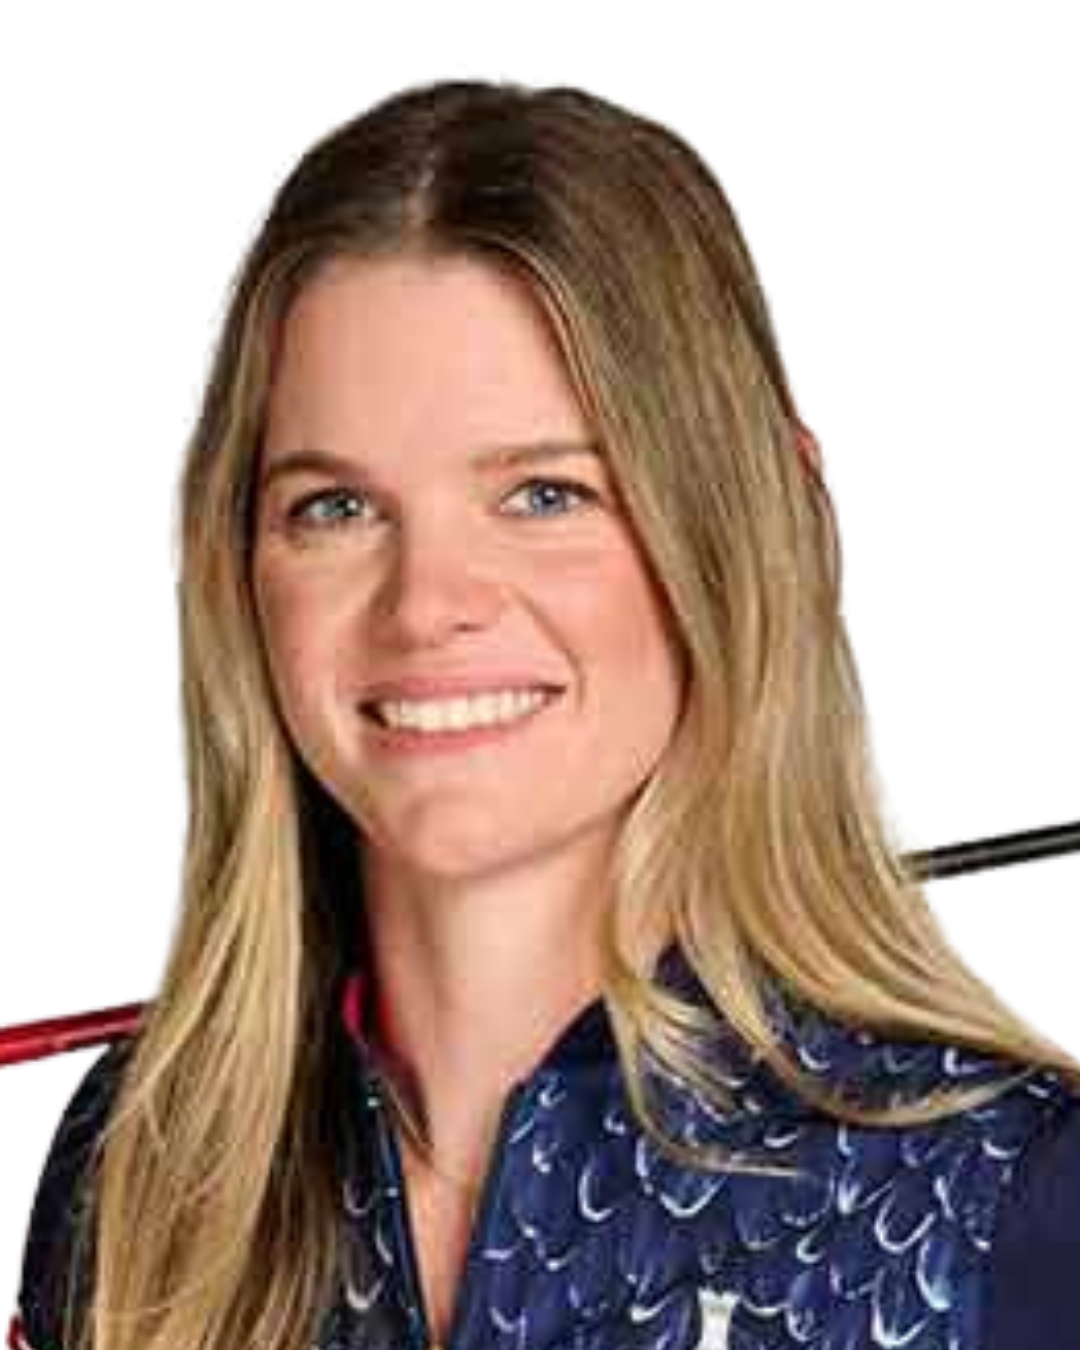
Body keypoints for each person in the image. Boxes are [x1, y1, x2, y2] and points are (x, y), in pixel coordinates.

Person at [12, 73, 1079, 1350]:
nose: (427, 605)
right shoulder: (133, 1175)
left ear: (736, 533)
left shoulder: (1014, 1204)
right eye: (334, 507)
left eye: (545, 495)